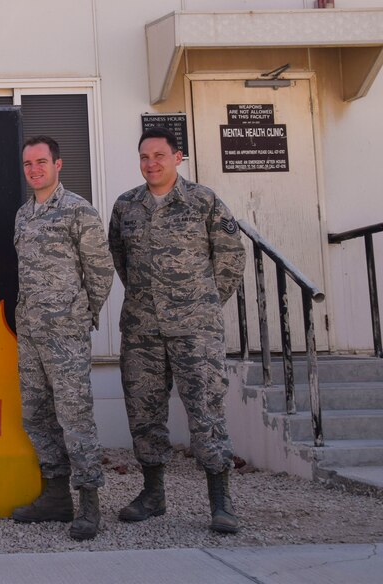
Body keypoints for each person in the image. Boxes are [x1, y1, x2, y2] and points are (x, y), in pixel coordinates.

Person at [108, 126, 246, 533]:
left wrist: (202, 303)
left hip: (195, 330)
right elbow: (120, 258)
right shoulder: (126, 206)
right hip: (142, 329)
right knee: (144, 411)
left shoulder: (203, 201)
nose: (151, 164)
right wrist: (147, 300)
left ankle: (221, 501)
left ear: (177, 157)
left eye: (159, 156)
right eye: (144, 157)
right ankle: (153, 495)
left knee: (206, 411)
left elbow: (231, 257)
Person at [9, 136, 114, 541]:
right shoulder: (23, 215)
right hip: (31, 332)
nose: (34, 169)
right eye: (28, 164)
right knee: (35, 414)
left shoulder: (77, 211)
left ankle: (89, 503)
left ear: (58, 165)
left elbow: (100, 270)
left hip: (65, 334)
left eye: (41, 162)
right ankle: (56, 497)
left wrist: (82, 316)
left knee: (74, 417)